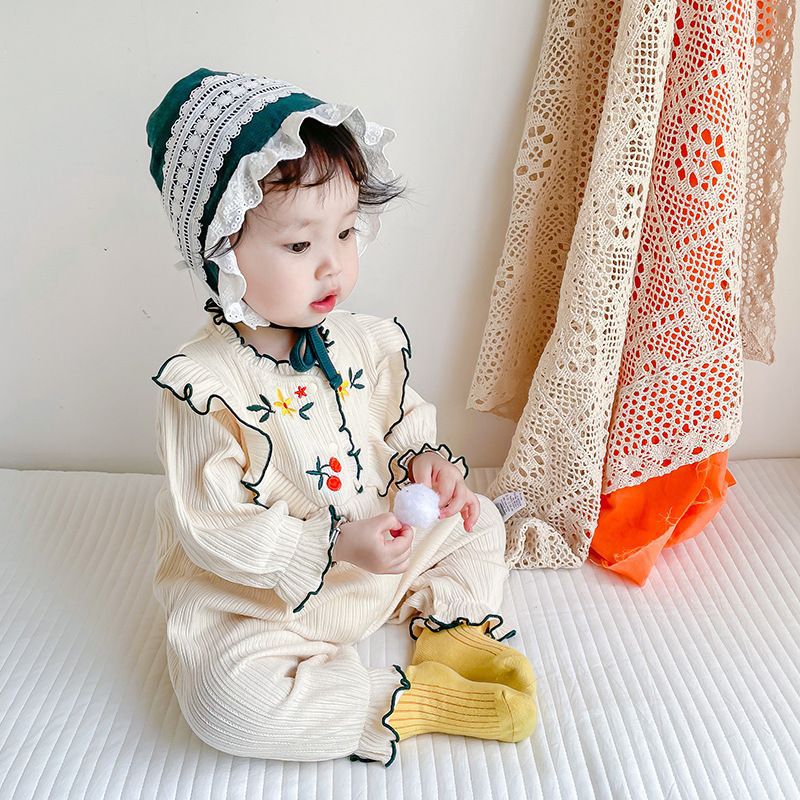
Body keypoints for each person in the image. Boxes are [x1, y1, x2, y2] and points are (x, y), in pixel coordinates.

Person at [146, 67, 537, 767]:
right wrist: (331, 547)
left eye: (347, 232)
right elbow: (212, 526)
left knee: (478, 521)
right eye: (300, 246)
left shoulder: (363, 341)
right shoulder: (203, 385)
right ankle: (405, 702)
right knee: (222, 701)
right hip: (268, 603)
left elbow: (402, 421)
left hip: (383, 554)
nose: (333, 266)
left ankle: (451, 630)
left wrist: (426, 465)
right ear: (221, 250)